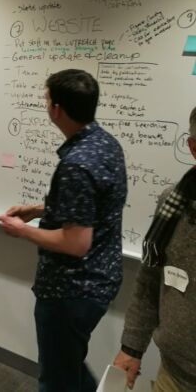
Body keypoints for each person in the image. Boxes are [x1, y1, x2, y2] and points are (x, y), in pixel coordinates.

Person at [0, 69, 127, 392]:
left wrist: (20, 230)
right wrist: (37, 210)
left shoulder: (77, 164)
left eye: (46, 99)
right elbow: (93, 205)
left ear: (56, 108)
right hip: (101, 278)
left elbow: (75, 242)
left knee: (56, 379)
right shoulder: (105, 144)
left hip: (71, 290)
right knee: (69, 364)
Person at [113, 106, 196, 391]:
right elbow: (149, 283)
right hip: (174, 376)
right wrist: (131, 348)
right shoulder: (172, 206)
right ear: (194, 147)